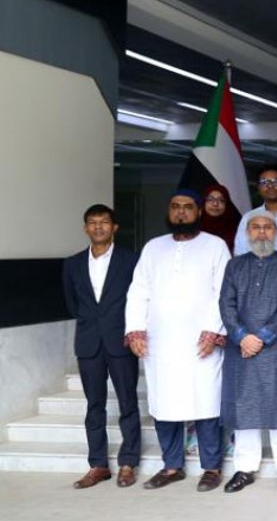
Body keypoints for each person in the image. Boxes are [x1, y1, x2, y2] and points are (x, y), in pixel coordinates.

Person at [125, 189, 231, 492]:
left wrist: (212, 331)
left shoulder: (215, 246)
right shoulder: (153, 247)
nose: (180, 212)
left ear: (199, 211)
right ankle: (172, 466)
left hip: (201, 342)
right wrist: (135, 331)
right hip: (160, 343)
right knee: (164, 404)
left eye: (187, 207)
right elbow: (138, 290)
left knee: (206, 402)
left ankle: (211, 467)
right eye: (175, 207)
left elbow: (223, 291)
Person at [219, 209, 277, 494]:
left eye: (267, 227)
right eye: (256, 227)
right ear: (247, 233)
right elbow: (226, 304)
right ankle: (245, 468)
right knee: (244, 406)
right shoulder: (235, 266)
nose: (262, 232)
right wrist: (242, 337)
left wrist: (262, 337)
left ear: (276, 232)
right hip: (241, 348)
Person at [63, 204, 141, 489]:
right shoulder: (72, 264)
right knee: (94, 405)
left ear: (114, 227)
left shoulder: (131, 260)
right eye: (93, 222)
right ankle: (98, 465)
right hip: (88, 343)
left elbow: (138, 298)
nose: (98, 227)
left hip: (121, 340)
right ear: (86, 228)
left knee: (127, 403)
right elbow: (72, 303)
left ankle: (128, 463)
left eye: (104, 222)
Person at [199, 184, 238, 251]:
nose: (215, 204)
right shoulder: (194, 229)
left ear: (227, 204)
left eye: (221, 200)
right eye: (210, 199)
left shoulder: (237, 230)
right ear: (203, 202)